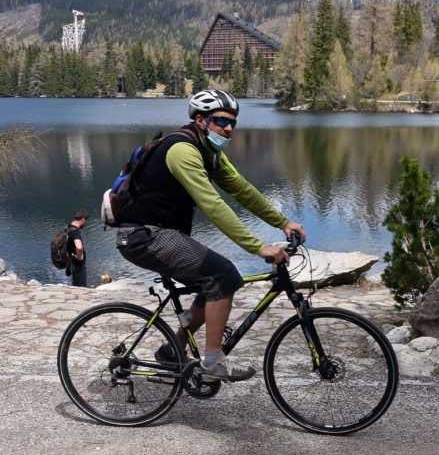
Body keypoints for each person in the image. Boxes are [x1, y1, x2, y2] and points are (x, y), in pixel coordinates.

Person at [115, 89, 306, 382]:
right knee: (223, 276)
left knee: (213, 282)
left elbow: (241, 190)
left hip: (162, 233)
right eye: (221, 121)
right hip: (143, 236)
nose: (228, 129)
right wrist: (259, 248)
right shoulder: (183, 150)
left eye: (232, 123)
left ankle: (174, 348)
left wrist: (282, 222)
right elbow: (213, 205)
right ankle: (213, 363)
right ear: (201, 120)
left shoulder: (210, 151)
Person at [66, 210, 89, 287]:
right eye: (86, 221)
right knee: (81, 285)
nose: (85, 224)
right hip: (77, 264)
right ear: (82, 219)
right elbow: (79, 247)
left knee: (75, 284)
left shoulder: (69, 227)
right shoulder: (75, 231)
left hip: (71, 261)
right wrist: (79, 258)